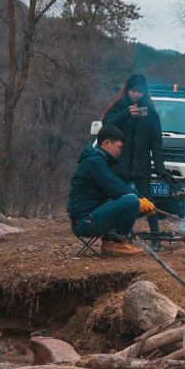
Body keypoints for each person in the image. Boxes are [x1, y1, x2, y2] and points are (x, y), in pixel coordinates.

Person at [67, 124, 156, 257]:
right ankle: (120, 243)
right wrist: (137, 200)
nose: (120, 152)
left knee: (124, 198)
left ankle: (108, 245)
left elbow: (118, 184)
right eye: (119, 147)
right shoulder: (94, 162)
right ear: (107, 143)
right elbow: (115, 188)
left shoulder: (96, 160)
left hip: (85, 220)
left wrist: (142, 198)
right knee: (130, 201)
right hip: (85, 223)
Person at [102, 74, 167, 250]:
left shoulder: (150, 112)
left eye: (140, 91)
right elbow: (106, 127)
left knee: (148, 201)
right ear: (127, 90)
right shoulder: (118, 107)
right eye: (133, 90)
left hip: (142, 163)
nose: (136, 94)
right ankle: (120, 237)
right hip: (119, 163)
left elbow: (156, 141)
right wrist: (124, 114)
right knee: (121, 200)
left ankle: (155, 238)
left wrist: (160, 166)